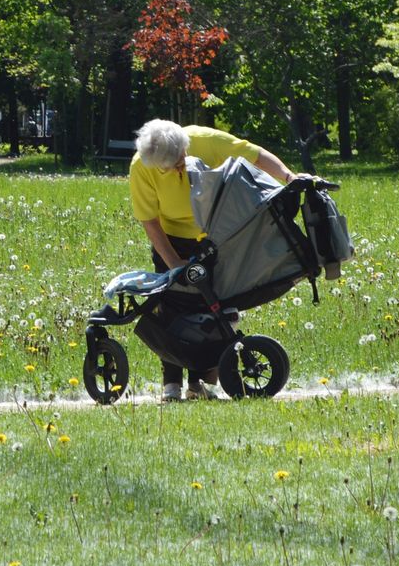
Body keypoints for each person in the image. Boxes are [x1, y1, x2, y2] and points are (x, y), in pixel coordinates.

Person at [130, 119, 304, 402]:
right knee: (171, 307)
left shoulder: (204, 140)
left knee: (215, 306)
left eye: (179, 162)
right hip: (171, 240)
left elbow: (255, 154)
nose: (177, 169)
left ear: (185, 146)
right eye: (168, 168)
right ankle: (171, 386)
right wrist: (174, 264)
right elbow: (150, 222)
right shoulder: (142, 166)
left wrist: (288, 177)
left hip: (215, 236)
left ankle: (199, 384)